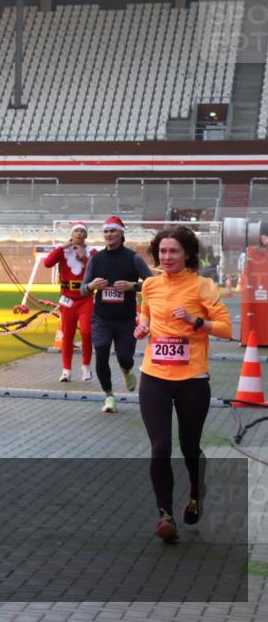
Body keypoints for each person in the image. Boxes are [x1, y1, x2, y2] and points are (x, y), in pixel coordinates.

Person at [133, 226, 231, 543]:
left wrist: (195, 321)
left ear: (187, 254)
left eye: (173, 251)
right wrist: (143, 327)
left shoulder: (203, 286)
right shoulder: (150, 285)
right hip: (154, 376)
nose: (167, 257)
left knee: (189, 447)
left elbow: (227, 330)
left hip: (192, 378)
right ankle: (165, 516)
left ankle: (196, 492)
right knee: (160, 447)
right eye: (162, 251)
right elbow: (145, 315)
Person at [81, 215, 152, 413]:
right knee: (101, 352)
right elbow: (82, 289)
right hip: (102, 318)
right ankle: (109, 396)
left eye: (112, 231)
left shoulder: (133, 258)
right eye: (105, 231)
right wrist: (91, 286)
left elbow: (153, 284)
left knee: (125, 357)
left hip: (125, 319)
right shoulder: (96, 259)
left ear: (121, 234)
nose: (109, 235)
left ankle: (127, 370)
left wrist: (132, 286)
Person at [43, 222, 96, 382]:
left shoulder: (92, 252)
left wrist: (85, 258)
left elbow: (98, 271)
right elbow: (47, 263)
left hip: (85, 298)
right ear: (71, 234)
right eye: (76, 231)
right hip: (67, 299)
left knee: (87, 332)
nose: (79, 234)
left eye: (82, 231)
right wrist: (61, 248)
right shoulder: (63, 250)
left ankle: (86, 367)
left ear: (86, 235)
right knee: (67, 335)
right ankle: (66, 370)